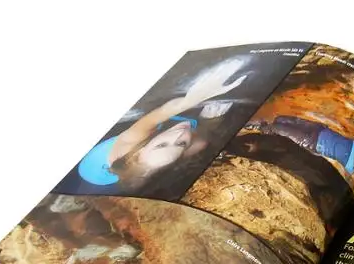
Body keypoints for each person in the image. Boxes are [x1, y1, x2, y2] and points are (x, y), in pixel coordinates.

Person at [73, 60, 249, 192]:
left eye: (162, 144)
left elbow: (161, 112)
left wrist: (197, 96)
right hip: (130, 174)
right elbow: (204, 136)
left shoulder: (132, 139)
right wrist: (210, 120)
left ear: (139, 151)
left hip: (92, 170)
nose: (179, 135)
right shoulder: (183, 152)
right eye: (181, 144)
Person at [247, 116, 354, 188]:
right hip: (321, 130)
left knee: (281, 129)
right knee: (282, 120)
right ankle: (265, 124)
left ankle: (258, 127)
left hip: (314, 142)